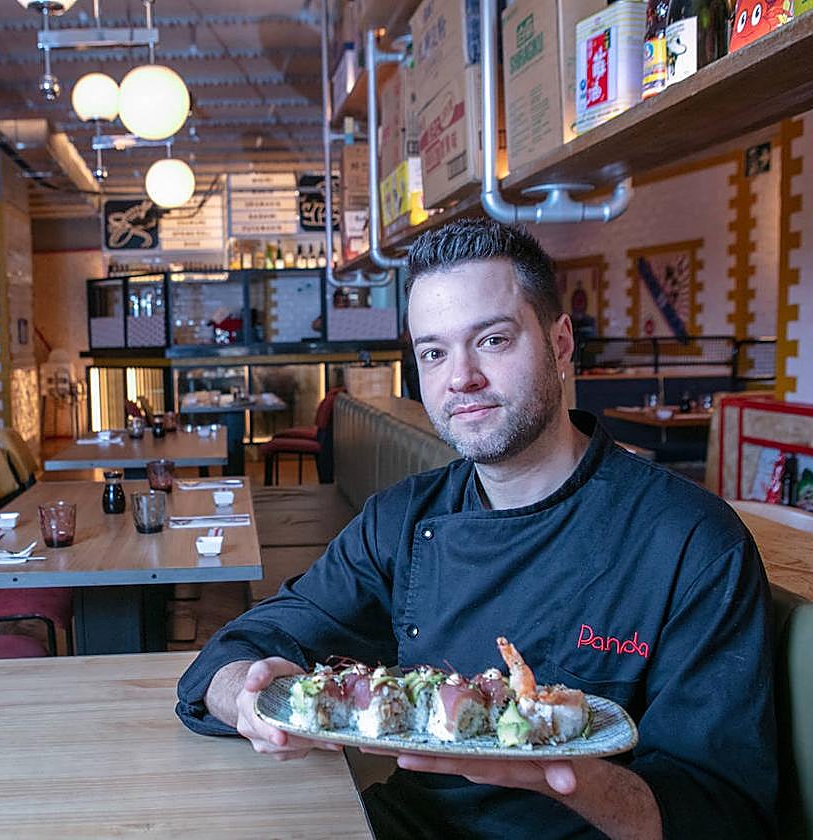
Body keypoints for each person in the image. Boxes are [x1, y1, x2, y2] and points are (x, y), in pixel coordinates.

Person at [175, 219, 776, 839]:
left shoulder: (691, 543)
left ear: (561, 343)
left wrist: (557, 772)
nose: (460, 377)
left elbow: (723, 816)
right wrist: (247, 697)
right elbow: (238, 649)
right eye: (433, 352)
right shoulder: (402, 520)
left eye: (492, 340)